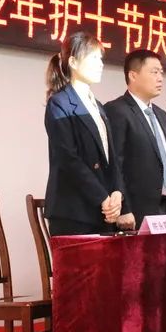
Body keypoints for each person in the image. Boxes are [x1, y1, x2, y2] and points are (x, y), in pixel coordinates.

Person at [43, 31, 125, 235]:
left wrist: (117, 192)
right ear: (73, 62)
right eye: (94, 58)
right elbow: (68, 158)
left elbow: (111, 157)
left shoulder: (97, 106)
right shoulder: (59, 103)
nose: (100, 64)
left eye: (101, 59)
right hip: (74, 211)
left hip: (103, 211)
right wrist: (102, 197)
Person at [105, 49, 166, 230]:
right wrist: (123, 208)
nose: (160, 78)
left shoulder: (161, 115)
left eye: (161, 72)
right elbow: (115, 164)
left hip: (164, 210)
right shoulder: (117, 110)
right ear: (133, 75)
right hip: (135, 211)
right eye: (154, 72)